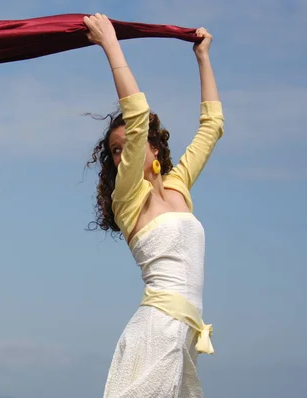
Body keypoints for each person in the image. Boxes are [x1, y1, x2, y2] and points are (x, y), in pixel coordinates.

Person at [82, 13, 224, 397]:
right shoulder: (126, 199)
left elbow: (212, 127)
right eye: (116, 149)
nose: (124, 151)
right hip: (157, 332)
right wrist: (110, 44)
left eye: (130, 143)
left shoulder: (178, 187)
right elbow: (138, 115)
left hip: (184, 338)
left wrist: (203, 57)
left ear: (156, 147)